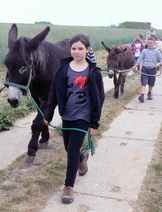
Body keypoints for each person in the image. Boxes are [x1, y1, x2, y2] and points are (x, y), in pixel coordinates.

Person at [44, 33, 105, 204]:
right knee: (68, 148)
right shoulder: (63, 68)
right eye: (73, 48)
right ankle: (82, 159)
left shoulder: (93, 71)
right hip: (67, 114)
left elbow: (99, 97)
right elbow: (54, 93)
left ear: (88, 50)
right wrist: (48, 115)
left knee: (71, 150)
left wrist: (94, 122)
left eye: (80, 48)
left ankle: (69, 187)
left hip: (83, 116)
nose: (76, 52)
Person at [132, 37, 162, 102]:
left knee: (151, 83)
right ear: (146, 43)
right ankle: (142, 95)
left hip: (152, 69)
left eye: (151, 43)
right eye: (148, 43)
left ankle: (149, 93)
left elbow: (161, 58)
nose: (150, 44)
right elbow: (140, 59)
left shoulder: (157, 51)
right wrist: (135, 65)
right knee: (143, 82)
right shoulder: (144, 51)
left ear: (154, 43)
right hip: (144, 69)